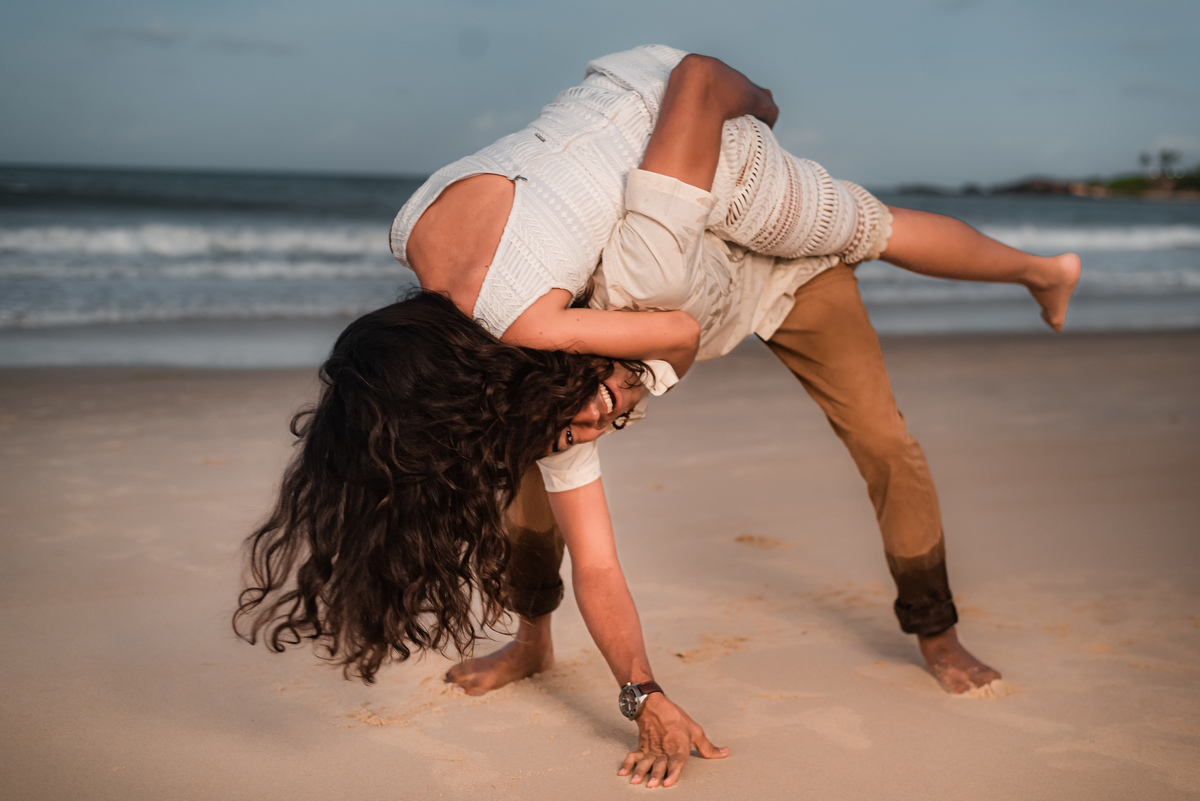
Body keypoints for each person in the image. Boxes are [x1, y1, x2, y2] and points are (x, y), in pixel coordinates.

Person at [236, 46, 1080, 789]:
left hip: (768, 241)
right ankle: (534, 638)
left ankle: (939, 630)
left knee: (882, 414)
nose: (597, 424)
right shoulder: (428, 250)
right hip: (676, 216)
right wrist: (643, 689)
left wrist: (757, 100)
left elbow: (694, 95)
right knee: (525, 472)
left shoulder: (543, 318)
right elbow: (597, 552)